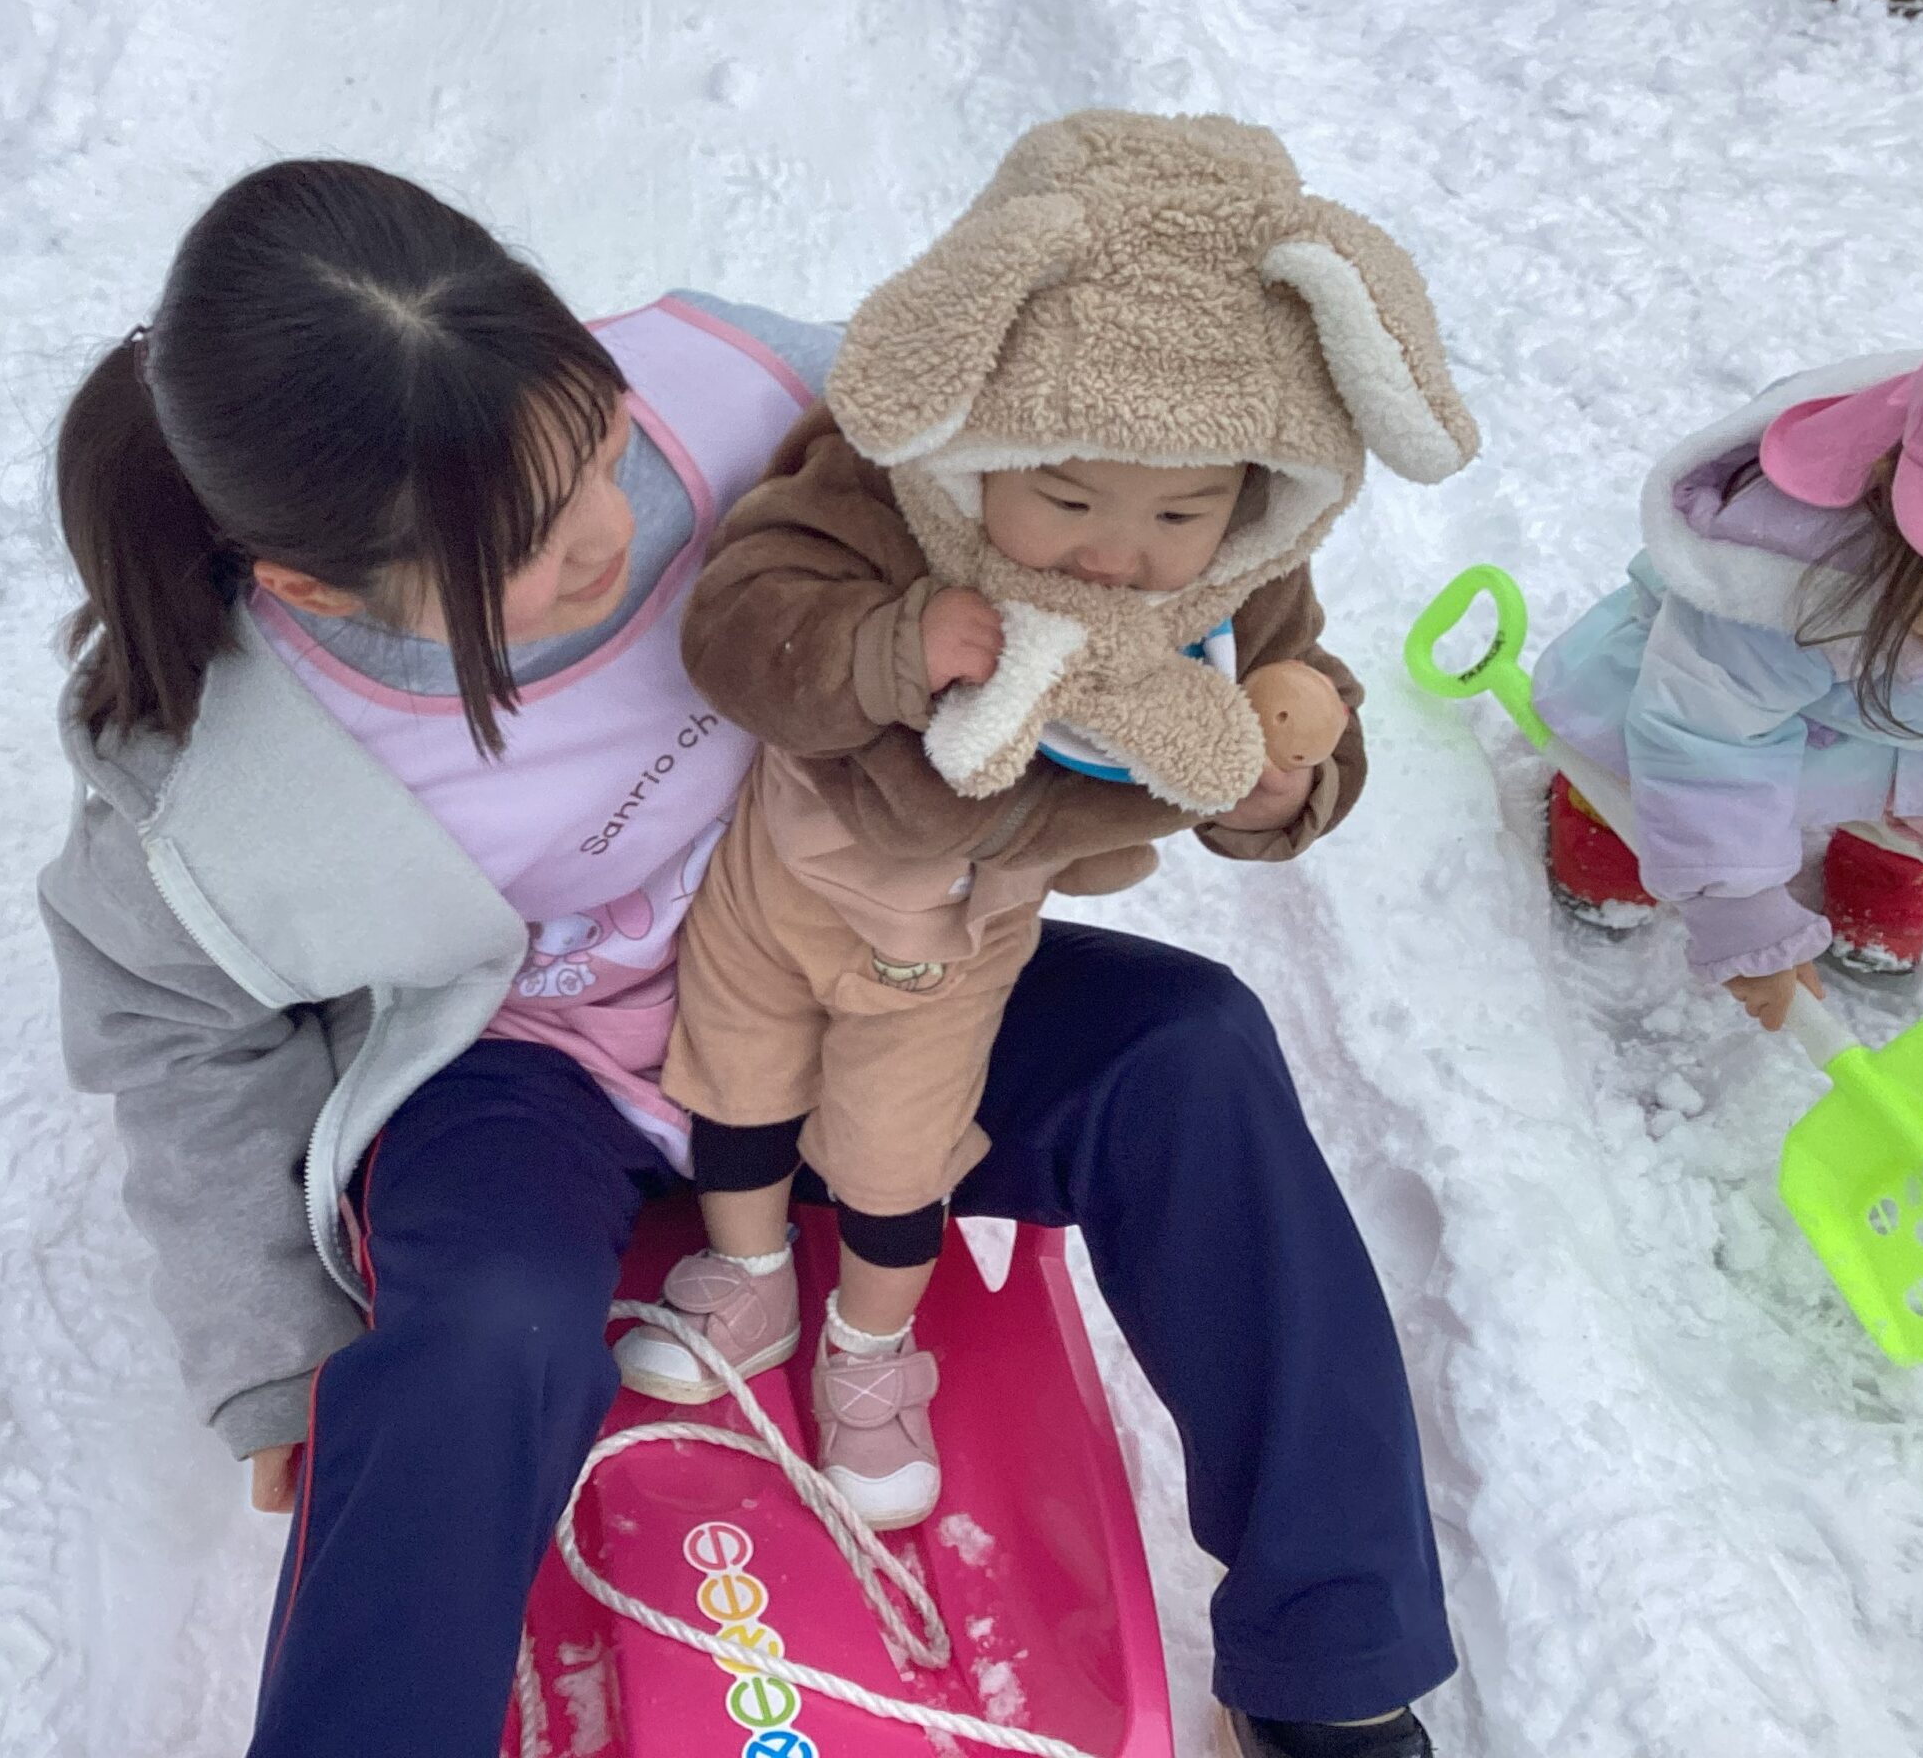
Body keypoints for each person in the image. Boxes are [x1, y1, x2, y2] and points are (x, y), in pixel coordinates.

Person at [38, 154, 1460, 1758]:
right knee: (474, 1344)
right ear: (311, 585)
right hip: (533, 1071)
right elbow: (169, 1025)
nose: (599, 539)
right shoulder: (239, 769)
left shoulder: (759, 392)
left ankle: (1333, 1658)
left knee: (1186, 1048)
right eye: (516, 553)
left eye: (592, 455)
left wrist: (1280, 754)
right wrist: (271, 1352)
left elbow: (1142, 523)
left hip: (861, 975)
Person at [611, 114, 1473, 1567]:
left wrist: (1282, 778)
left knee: (895, 1150)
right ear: (985, 438)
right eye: (1067, 497)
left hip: (954, 935)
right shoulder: (883, 494)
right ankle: (748, 1271)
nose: (1117, 552)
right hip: (785, 876)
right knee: (738, 1076)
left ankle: (874, 1357)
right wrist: (891, 646)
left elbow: (1290, 710)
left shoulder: (1233, 583)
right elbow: (744, 628)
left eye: (1182, 511)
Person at [1531, 308, 1923, 1025]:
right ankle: (1608, 818)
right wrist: (1738, 907)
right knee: (1648, 755)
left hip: (1914, 734)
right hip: (1706, 710)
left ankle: (1886, 859)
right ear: (1889, 491)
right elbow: (1704, 737)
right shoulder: (1793, 578)